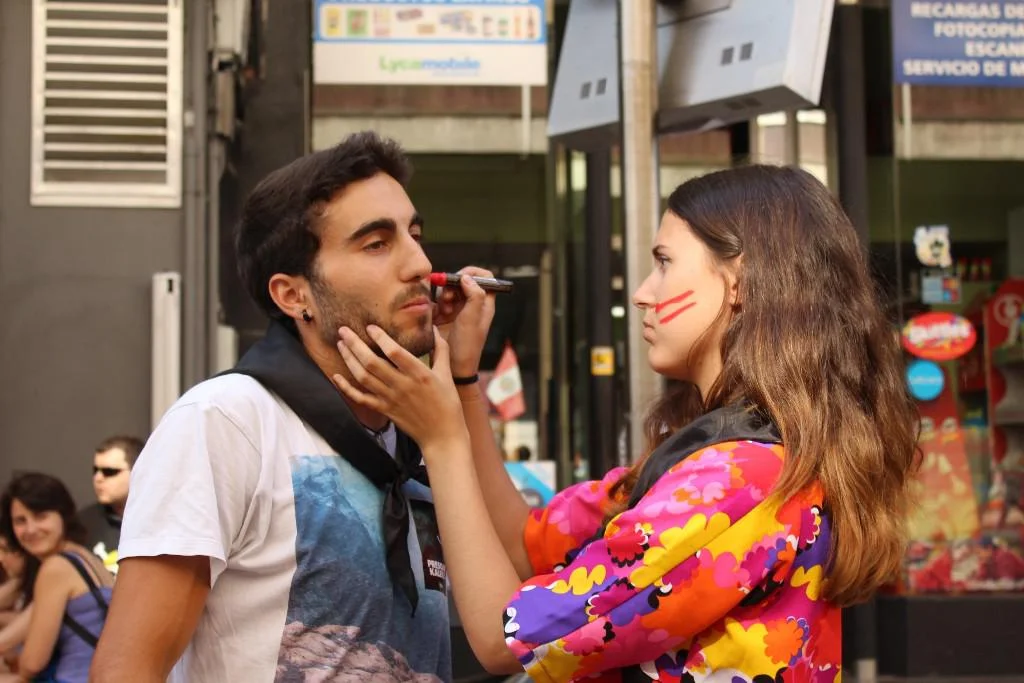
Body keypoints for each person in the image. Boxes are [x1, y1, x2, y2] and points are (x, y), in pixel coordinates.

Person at [331, 164, 920, 682]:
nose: (642, 293)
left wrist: (441, 440)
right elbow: (524, 544)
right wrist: (464, 382)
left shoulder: (739, 480)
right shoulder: (733, 460)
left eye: (664, 262)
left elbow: (501, 636)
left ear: (739, 281)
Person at [90, 131, 488, 683]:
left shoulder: (422, 430)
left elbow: (516, 613)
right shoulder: (225, 421)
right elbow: (127, 668)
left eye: (415, 236)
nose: (420, 264)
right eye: (377, 243)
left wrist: (463, 386)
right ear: (293, 295)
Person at [0, 473, 113, 683]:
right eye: (20, 521)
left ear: (63, 515)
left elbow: (32, 664)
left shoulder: (56, 568)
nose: (31, 529)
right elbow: (24, 624)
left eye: (40, 516)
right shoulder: (84, 556)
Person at [78, 436, 145, 575]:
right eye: (95, 470)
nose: (98, 478)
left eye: (109, 472)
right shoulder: (82, 524)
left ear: (138, 471)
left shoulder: (163, 520)